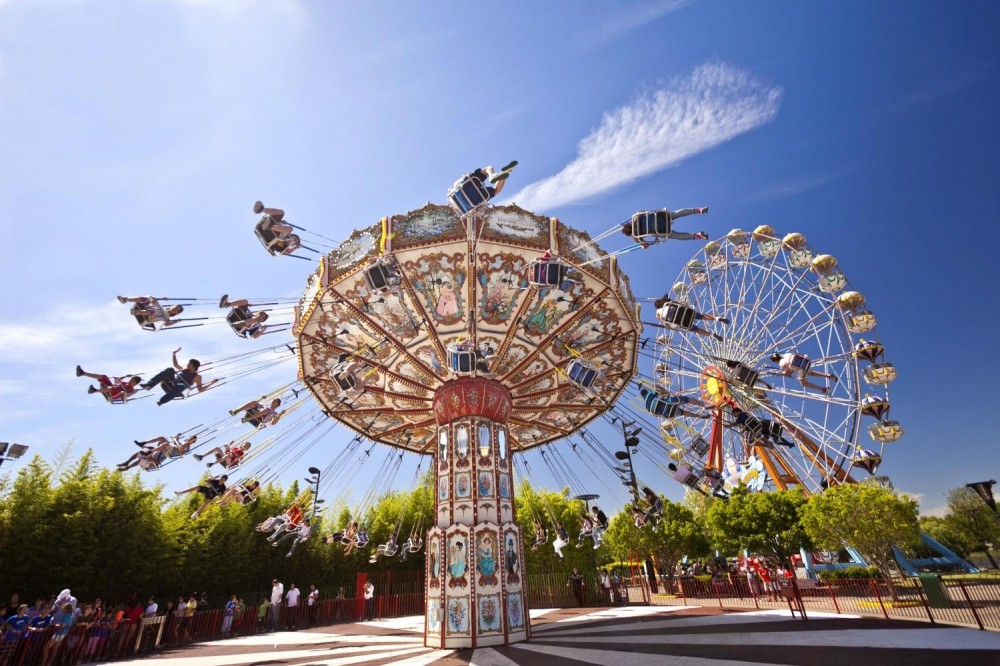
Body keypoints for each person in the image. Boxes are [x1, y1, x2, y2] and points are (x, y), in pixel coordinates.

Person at [141, 348, 219, 406]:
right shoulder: (184, 370)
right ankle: (149, 385)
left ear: (194, 367)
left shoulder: (197, 377)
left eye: (189, 364)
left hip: (177, 390)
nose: (187, 365)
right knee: (170, 369)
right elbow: (175, 365)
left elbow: (200, 389)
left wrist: (212, 383)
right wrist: (174, 354)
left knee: (182, 385)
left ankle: (162, 401)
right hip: (169, 384)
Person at [622, 207, 709, 249]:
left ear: (629, 234)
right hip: (660, 216)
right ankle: (697, 210)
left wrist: (644, 245)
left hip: (661, 230)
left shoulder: (635, 236)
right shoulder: (635, 218)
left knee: (677, 236)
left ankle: (697, 236)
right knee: (676, 214)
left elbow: (645, 245)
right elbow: (642, 211)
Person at [653, 294, 727, 340]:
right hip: (686, 312)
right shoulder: (669, 303)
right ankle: (717, 318)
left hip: (681, 321)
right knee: (702, 316)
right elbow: (681, 305)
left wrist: (667, 325)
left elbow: (660, 318)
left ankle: (711, 335)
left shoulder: (658, 311)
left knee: (696, 330)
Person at [118, 434, 197, 471]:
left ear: (192, 442)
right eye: (190, 437)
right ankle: (127, 462)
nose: (189, 438)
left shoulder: (188, 446)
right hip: (166, 449)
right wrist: (177, 438)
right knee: (161, 438)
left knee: (165, 444)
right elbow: (174, 442)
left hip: (170, 452)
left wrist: (151, 458)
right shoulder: (181, 441)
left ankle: (128, 468)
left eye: (191, 439)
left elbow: (181, 453)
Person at [770, 352, 837, 394]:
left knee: (804, 384)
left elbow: (788, 373)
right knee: (810, 373)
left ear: (775, 361)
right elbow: (797, 354)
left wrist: (780, 374)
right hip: (806, 362)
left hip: (800, 370)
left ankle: (822, 389)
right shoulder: (787, 354)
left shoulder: (781, 364)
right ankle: (828, 375)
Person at [730, 407, 795, 448]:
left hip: (758, 429)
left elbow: (736, 423)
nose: (734, 415)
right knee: (775, 437)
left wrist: (728, 425)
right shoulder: (746, 414)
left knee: (751, 441)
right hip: (762, 427)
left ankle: (767, 444)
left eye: (734, 414)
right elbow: (747, 425)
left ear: (738, 412)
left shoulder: (741, 417)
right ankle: (789, 444)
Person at [76, 366, 142, 403]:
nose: (130, 381)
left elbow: (126, 394)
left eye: (133, 381)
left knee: (115, 388)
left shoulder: (132, 390)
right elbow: (117, 383)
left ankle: (94, 390)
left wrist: (119, 384)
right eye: (131, 379)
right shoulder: (125, 383)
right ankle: (82, 373)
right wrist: (123, 377)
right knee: (104, 377)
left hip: (112, 396)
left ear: (135, 384)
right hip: (109, 389)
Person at [117, 295, 185, 331]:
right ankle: (126, 299)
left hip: (152, 317)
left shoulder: (167, 318)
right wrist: (160, 298)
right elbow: (153, 300)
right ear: (172, 306)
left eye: (176, 310)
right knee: (148, 298)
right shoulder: (161, 308)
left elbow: (166, 324)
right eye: (175, 307)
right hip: (151, 311)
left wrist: (176, 321)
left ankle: (137, 312)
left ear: (176, 313)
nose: (174, 309)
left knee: (156, 311)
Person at [640, 387, 710, 420]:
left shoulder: (647, 408)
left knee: (683, 412)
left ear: (643, 397)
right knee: (687, 399)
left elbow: (656, 415)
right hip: (671, 403)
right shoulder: (651, 393)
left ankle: (699, 416)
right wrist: (658, 387)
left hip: (669, 414)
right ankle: (704, 405)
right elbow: (665, 392)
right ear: (646, 391)